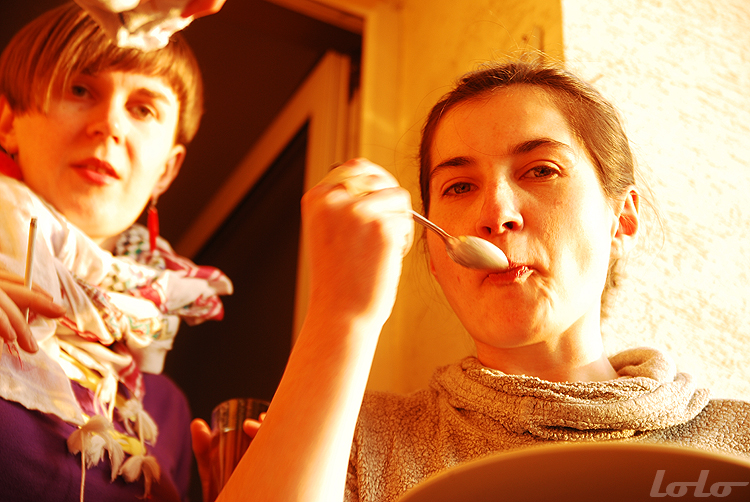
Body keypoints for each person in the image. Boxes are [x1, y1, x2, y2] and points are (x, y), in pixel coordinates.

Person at [208, 57, 750, 502]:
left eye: (541, 170)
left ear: (622, 220)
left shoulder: (735, 442)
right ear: (433, 249)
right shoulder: (346, 443)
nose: (496, 213)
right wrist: (341, 313)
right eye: (459, 187)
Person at [0, 3, 231, 501]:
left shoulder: (167, 409)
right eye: (80, 89)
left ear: (167, 170)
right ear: (8, 120)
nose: (109, 125)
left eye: (143, 109)